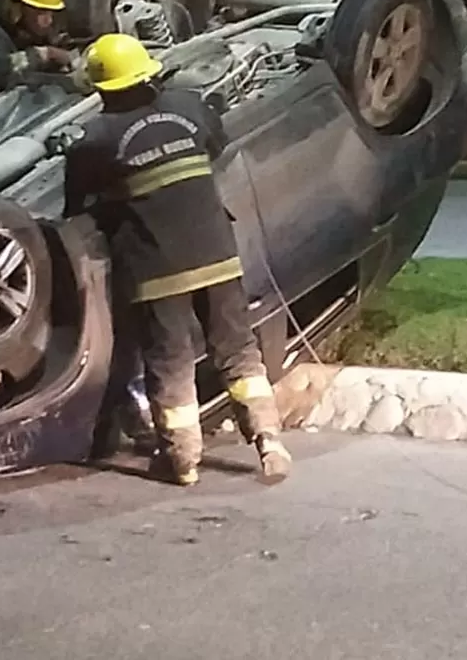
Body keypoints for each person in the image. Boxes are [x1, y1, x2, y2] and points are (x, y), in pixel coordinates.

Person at [61, 33, 293, 487]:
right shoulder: (190, 107)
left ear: (102, 89)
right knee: (237, 349)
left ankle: (182, 461)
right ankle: (269, 441)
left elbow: (77, 209)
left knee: (170, 361)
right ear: (148, 72)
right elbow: (216, 144)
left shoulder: (94, 141)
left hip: (154, 269)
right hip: (217, 253)